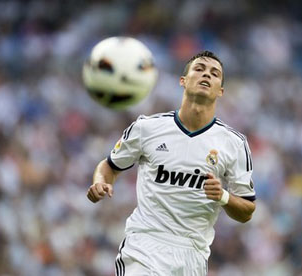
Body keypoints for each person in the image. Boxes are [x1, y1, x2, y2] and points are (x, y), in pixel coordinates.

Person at [87, 50, 256, 275]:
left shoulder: (233, 143)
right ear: (183, 81)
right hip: (145, 244)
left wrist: (223, 196)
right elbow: (109, 165)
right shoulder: (147, 128)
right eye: (199, 69)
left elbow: (247, 211)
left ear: (221, 91)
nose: (206, 75)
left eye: (214, 73)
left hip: (192, 254)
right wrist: (100, 181)